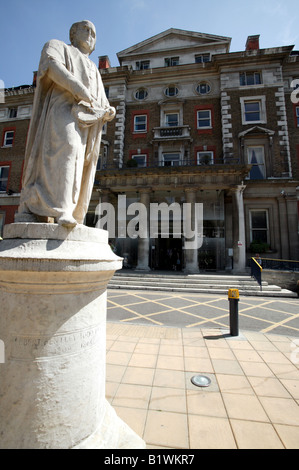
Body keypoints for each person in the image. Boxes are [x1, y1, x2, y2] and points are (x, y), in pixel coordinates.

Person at [16, 20, 115, 227]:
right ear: (73, 33)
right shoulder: (57, 45)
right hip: (62, 109)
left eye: (94, 33)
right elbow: (51, 65)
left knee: (82, 163)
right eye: (85, 29)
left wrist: (109, 110)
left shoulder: (94, 69)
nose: (90, 34)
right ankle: (61, 209)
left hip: (87, 122)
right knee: (67, 148)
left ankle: (71, 210)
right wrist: (77, 88)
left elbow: (101, 99)